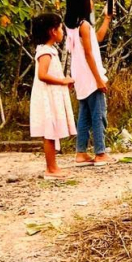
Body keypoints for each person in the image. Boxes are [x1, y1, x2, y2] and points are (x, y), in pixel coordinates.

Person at [64, 0, 113, 166]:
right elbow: (89, 54)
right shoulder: (84, 25)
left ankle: (81, 152)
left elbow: (96, 39)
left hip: (80, 77)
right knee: (98, 114)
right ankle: (100, 152)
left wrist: (106, 19)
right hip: (90, 76)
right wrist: (99, 79)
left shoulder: (73, 26)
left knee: (84, 115)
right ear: (84, 2)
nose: (92, 2)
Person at [30, 13, 77, 179]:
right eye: (60, 28)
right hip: (46, 97)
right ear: (52, 31)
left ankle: (53, 167)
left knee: (52, 131)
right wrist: (62, 81)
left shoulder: (50, 50)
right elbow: (42, 75)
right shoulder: (45, 52)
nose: (63, 32)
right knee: (49, 132)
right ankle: (51, 168)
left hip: (52, 95)